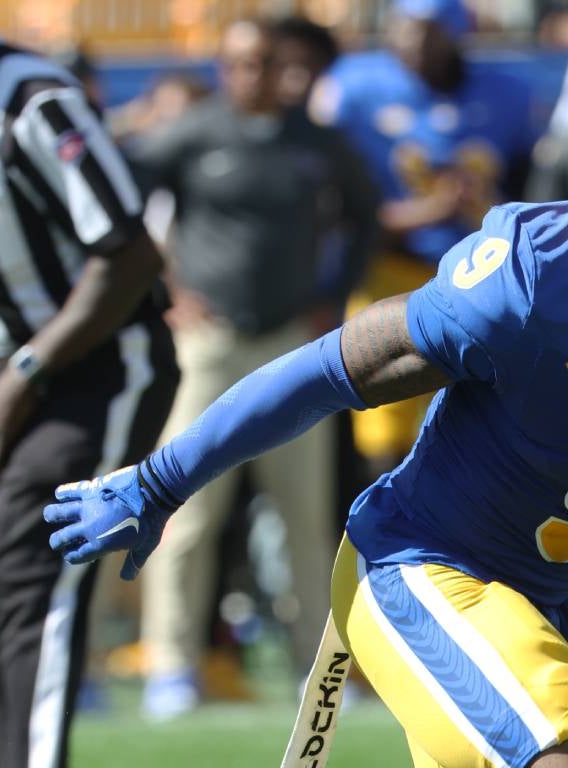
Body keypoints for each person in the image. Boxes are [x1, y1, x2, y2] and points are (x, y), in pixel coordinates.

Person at [45, 11, 568, 767]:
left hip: (544, 604)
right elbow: (332, 368)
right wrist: (160, 480)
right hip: (422, 567)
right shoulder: (537, 278)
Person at [127, 18, 379, 719]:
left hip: (293, 344)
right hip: (210, 343)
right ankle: (170, 664)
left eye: (266, 62)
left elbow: (365, 215)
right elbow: (124, 202)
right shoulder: (194, 133)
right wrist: (166, 291)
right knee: (185, 505)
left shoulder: (316, 141)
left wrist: (336, 295)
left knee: (305, 512)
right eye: (241, 63)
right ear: (222, 68)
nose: (255, 76)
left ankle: (316, 667)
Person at [0, 15, 179, 768]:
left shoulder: (32, 100)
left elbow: (130, 255)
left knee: (28, 560)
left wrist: (20, 378)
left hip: (96, 367)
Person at [311, 0, 536, 480]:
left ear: (455, 32)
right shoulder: (353, 86)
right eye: (406, 26)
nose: (414, 40)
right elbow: (328, 197)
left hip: (480, 278)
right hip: (389, 270)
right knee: (380, 425)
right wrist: (423, 212)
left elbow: (531, 191)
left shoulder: (508, 94)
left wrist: (484, 206)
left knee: (469, 422)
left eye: (429, 29)